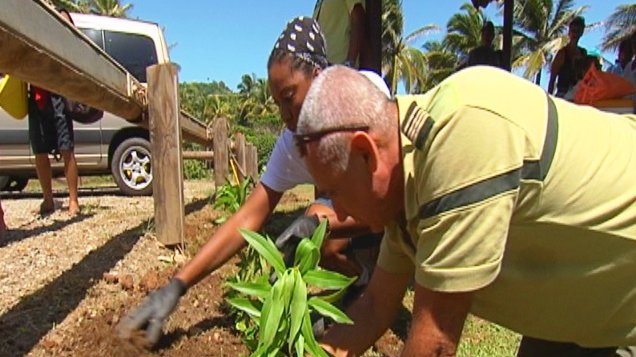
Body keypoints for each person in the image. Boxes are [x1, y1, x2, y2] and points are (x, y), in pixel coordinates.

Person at [294, 65, 636, 356]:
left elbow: (436, 343)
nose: (336, 210)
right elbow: (374, 307)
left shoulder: (461, 135)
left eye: (336, 192)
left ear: (366, 153)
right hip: (575, 310)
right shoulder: (405, 186)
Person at [116, 17, 390, 346]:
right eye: (277, 104)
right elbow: (248, 216)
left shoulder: (365, 96)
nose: (285, 116)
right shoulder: (292, 141)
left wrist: (318, 225)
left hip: (390, 206)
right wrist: (177, 285)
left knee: (318, 223)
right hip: (354, 209)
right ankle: (358, 285)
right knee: (319, 223)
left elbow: (387, 201)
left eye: (290, 97)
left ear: (317, 78)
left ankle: (377, 291)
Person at [28, 8, 80, 216]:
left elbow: (73, 38)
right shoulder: (33, 24)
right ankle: (48, 199)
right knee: (39, 151)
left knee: (66, 148)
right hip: (36, 95)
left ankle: (73, 200)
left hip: (58, 95)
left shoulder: (63, 26)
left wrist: (60, 20)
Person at [313, 0, 365, 67]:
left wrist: (350, 63)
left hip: (340, 67)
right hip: (322, 68)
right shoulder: (319, 3)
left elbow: (358, 17)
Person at [548, 16, 587, 97]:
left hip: (578, 96)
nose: (574, 34)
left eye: (577, 31)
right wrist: (549, 98)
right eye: (573, 31)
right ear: (569, 31)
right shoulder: (562, 53)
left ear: (581, 32)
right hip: (563, 95)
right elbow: (552, 79)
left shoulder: (583, 53)